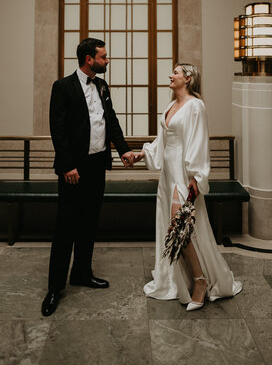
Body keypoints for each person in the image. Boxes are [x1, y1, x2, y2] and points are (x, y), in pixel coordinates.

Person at [134, 63, 242, 310]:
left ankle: (200, 281)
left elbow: (199, 141)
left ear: (189, 78)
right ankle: (184, 277)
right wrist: (140, 155)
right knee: (177, 226)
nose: (171, 75)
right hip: (168, 173)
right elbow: (161, 142)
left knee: (179, 224)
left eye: (176, 72)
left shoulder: (196, 106)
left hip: (184, 172)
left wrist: (196, 176)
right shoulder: (171, 106)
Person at [42, 38, 135, 316]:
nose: (107, 61)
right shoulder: (62, 87)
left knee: (89, 223)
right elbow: (57, 130)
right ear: (88, 59)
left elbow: (111, 120)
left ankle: (82, 273)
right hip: (74, 169)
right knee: (65, 228)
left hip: (97, 165)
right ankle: (55, 288)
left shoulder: (102, 86)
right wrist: (68, 165)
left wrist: (124, 151)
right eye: (103, 57)